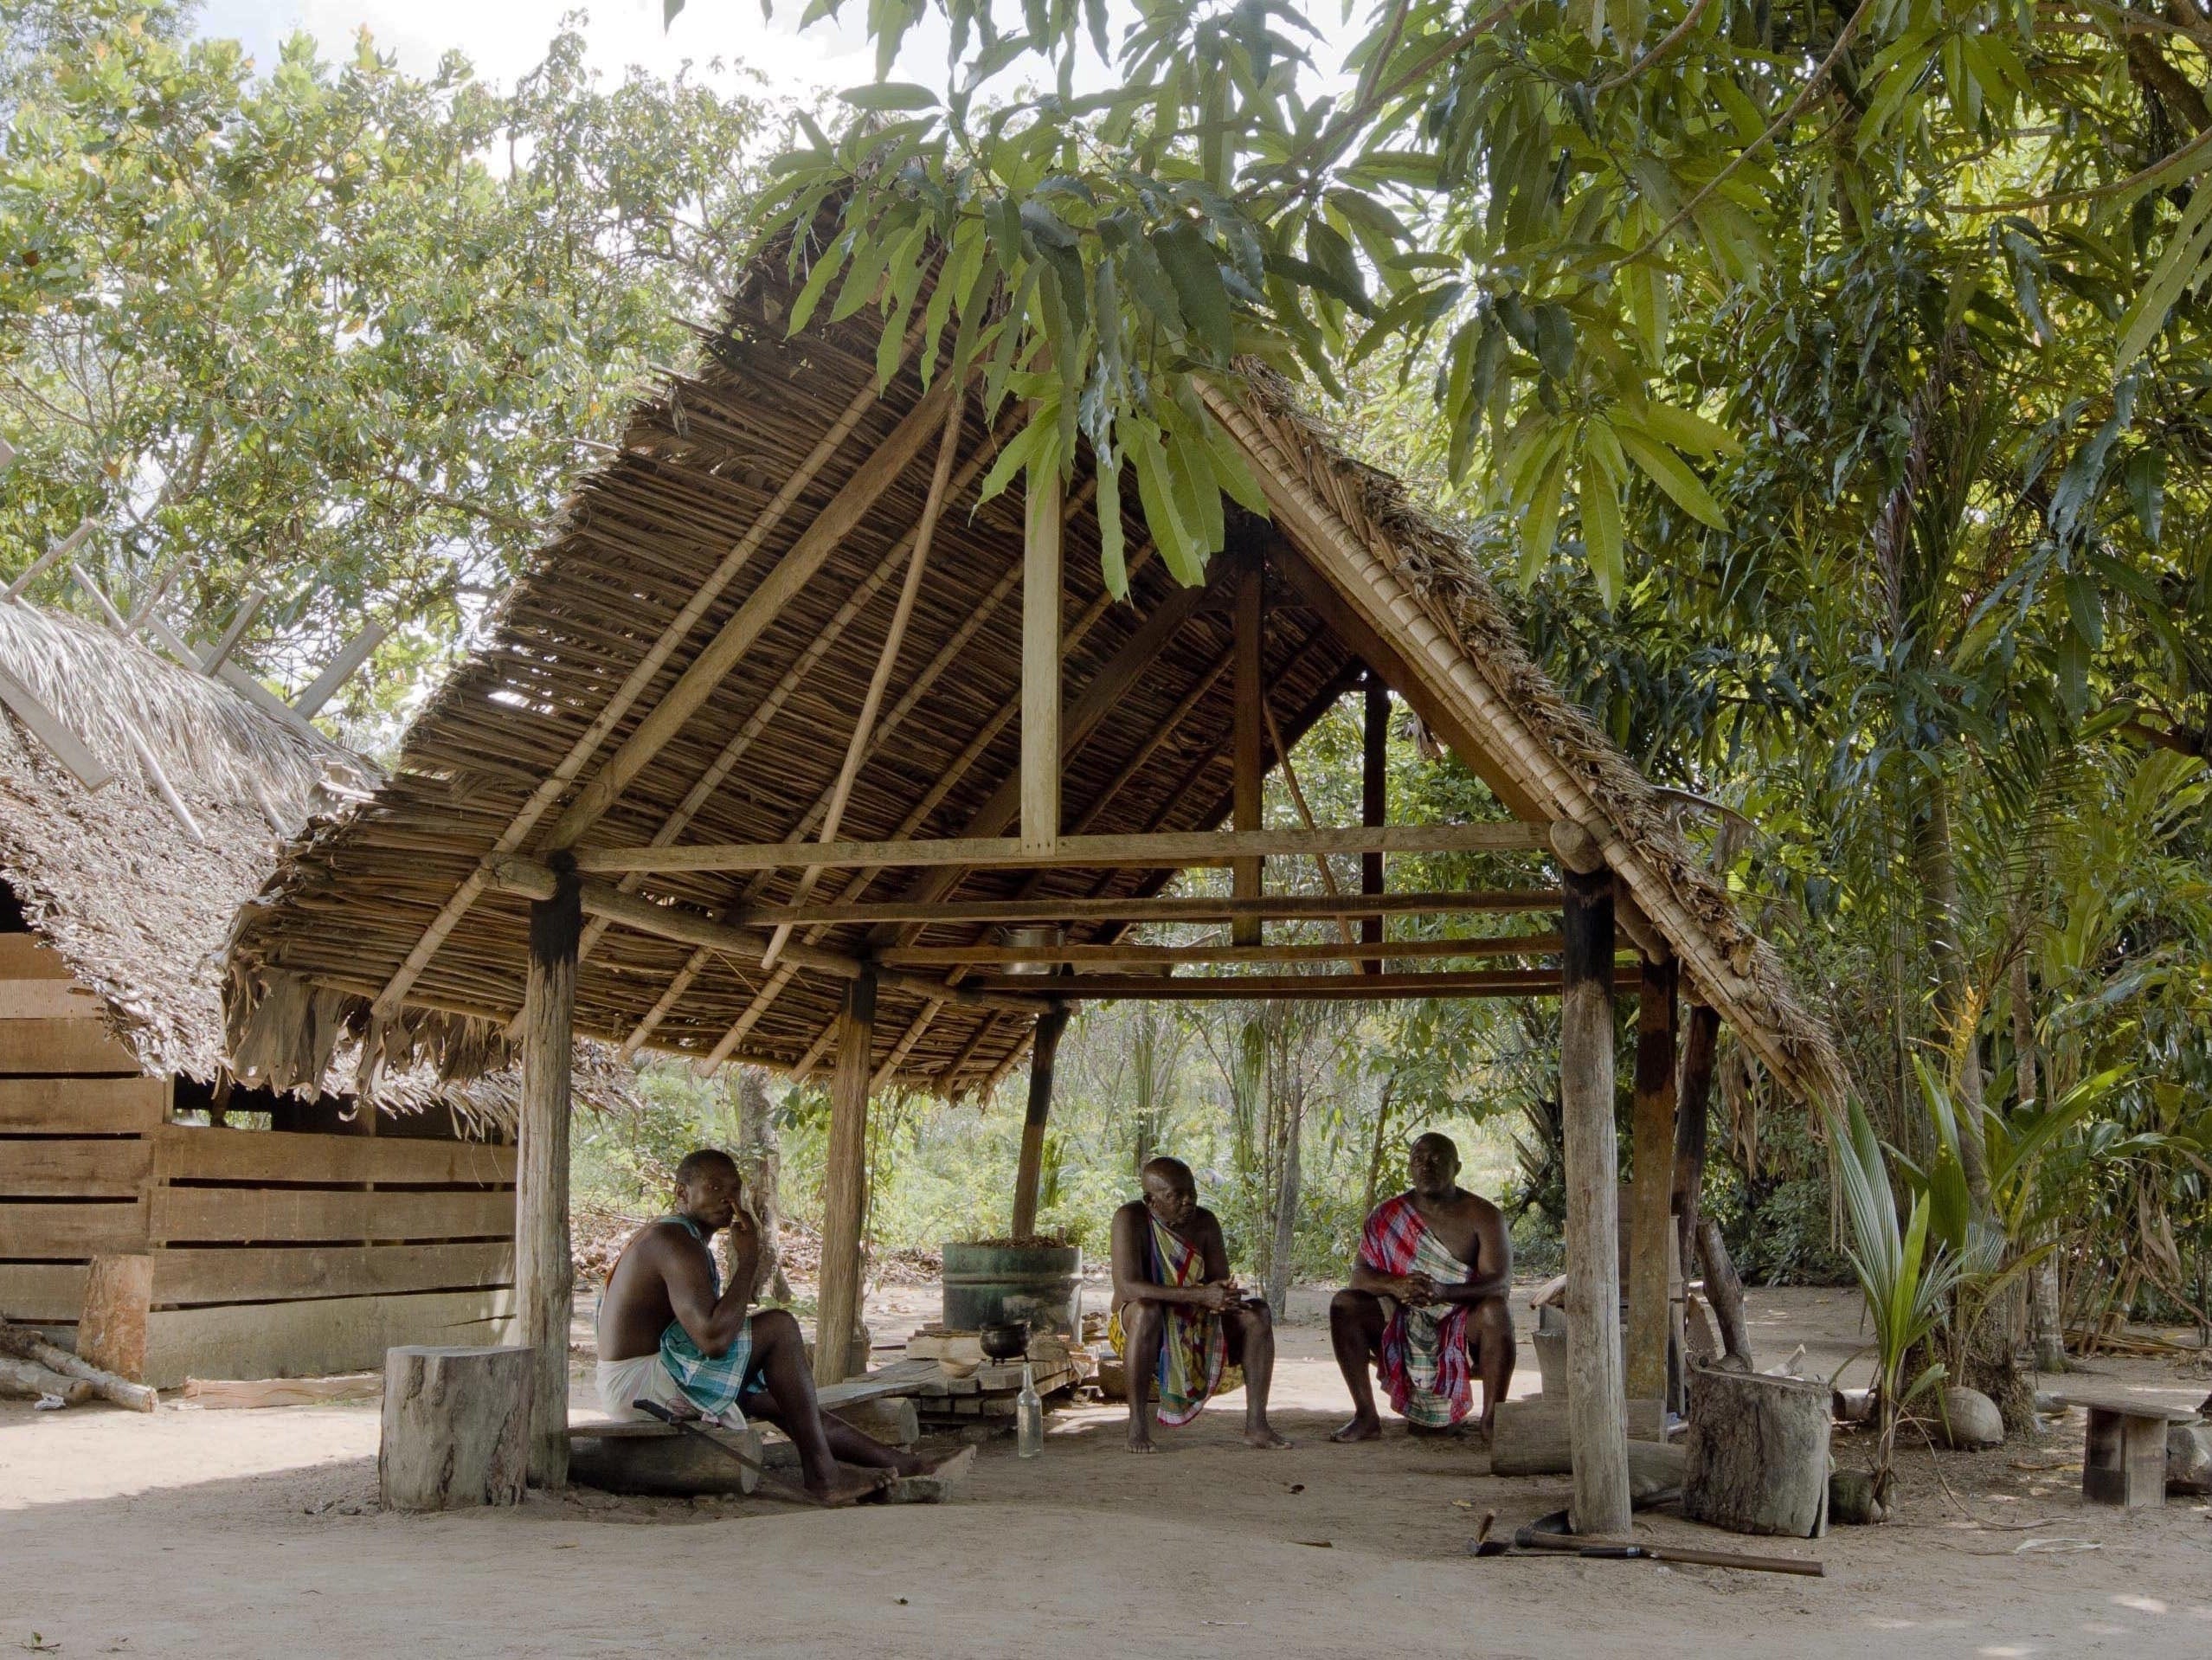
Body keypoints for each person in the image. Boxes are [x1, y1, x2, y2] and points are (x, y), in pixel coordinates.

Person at [596, 1148, 940, 1503]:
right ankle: (823, 1475)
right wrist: (749, 1260)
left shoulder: (681, 1237)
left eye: (734, 1190)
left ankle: (902, 1464)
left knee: (784, 1397)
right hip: (639, 1386)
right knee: (780, 1327)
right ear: (681, 1193)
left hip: (648, 1377)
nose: (728, 1199)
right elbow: (713, 1339)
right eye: (714, 1188)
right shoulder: (674, 1241)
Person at [1329, 1131, 1514, 1443]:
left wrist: (1444, 1292)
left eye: (1437, 1159)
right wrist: (1396, 1285)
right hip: (1401, 1317)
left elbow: (1499, 1283)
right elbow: (1359, 1277)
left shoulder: (1484, 1216)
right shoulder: (1387, 1216)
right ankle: (1365, 1416)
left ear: (1457, 1167)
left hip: (1460, 1320)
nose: (1427, 1166)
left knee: (1497, 1313)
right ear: (1410, 1169)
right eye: (1418, 1160)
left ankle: (1493, 1422)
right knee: (1344, 1304)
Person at [1108, 1155, 1290, 1453]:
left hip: (1197, 1318)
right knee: (1146, 1310)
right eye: (1175, 1195)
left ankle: (1257, 1425)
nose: (1187, 1201)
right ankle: (1137, 1424)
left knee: (1257, 1313)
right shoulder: (1130, 1219)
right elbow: (1128, 1287)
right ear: (1151, 1201)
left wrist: (1222, 1295)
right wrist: (1199, 1295)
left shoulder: (1205, 1222)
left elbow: (1217, 1280)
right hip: (1139, 1322)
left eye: (1191, 1192)